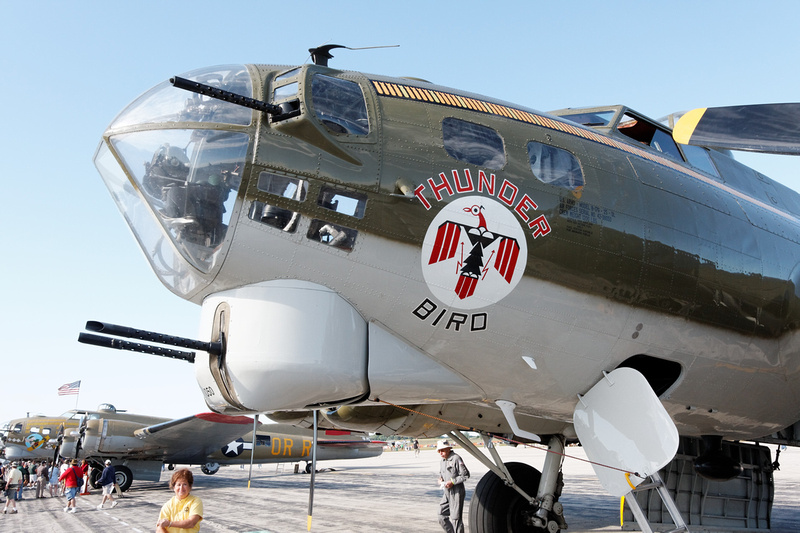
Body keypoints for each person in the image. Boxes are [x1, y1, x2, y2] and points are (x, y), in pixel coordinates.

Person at [436, 439, 470, 533]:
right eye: (439, 451)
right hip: (447, 492)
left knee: (455, 519)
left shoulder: (456, 458)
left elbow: (465, 475)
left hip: (456, 492)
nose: (440, 453)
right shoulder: (442, 460)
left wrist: (453, 482)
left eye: (442, 450)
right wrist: (440, 479)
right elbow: (441, 473)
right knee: (441, 515)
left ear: (448, 449)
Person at [156, 468, 203, 532]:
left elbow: (191, 523)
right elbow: (160, 527)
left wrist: (170, 524)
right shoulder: (168, 505)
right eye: (178, 485)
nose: (181, 488)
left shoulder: (195, 501)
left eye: (184, 484)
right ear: (174, 487)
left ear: (190, 486)